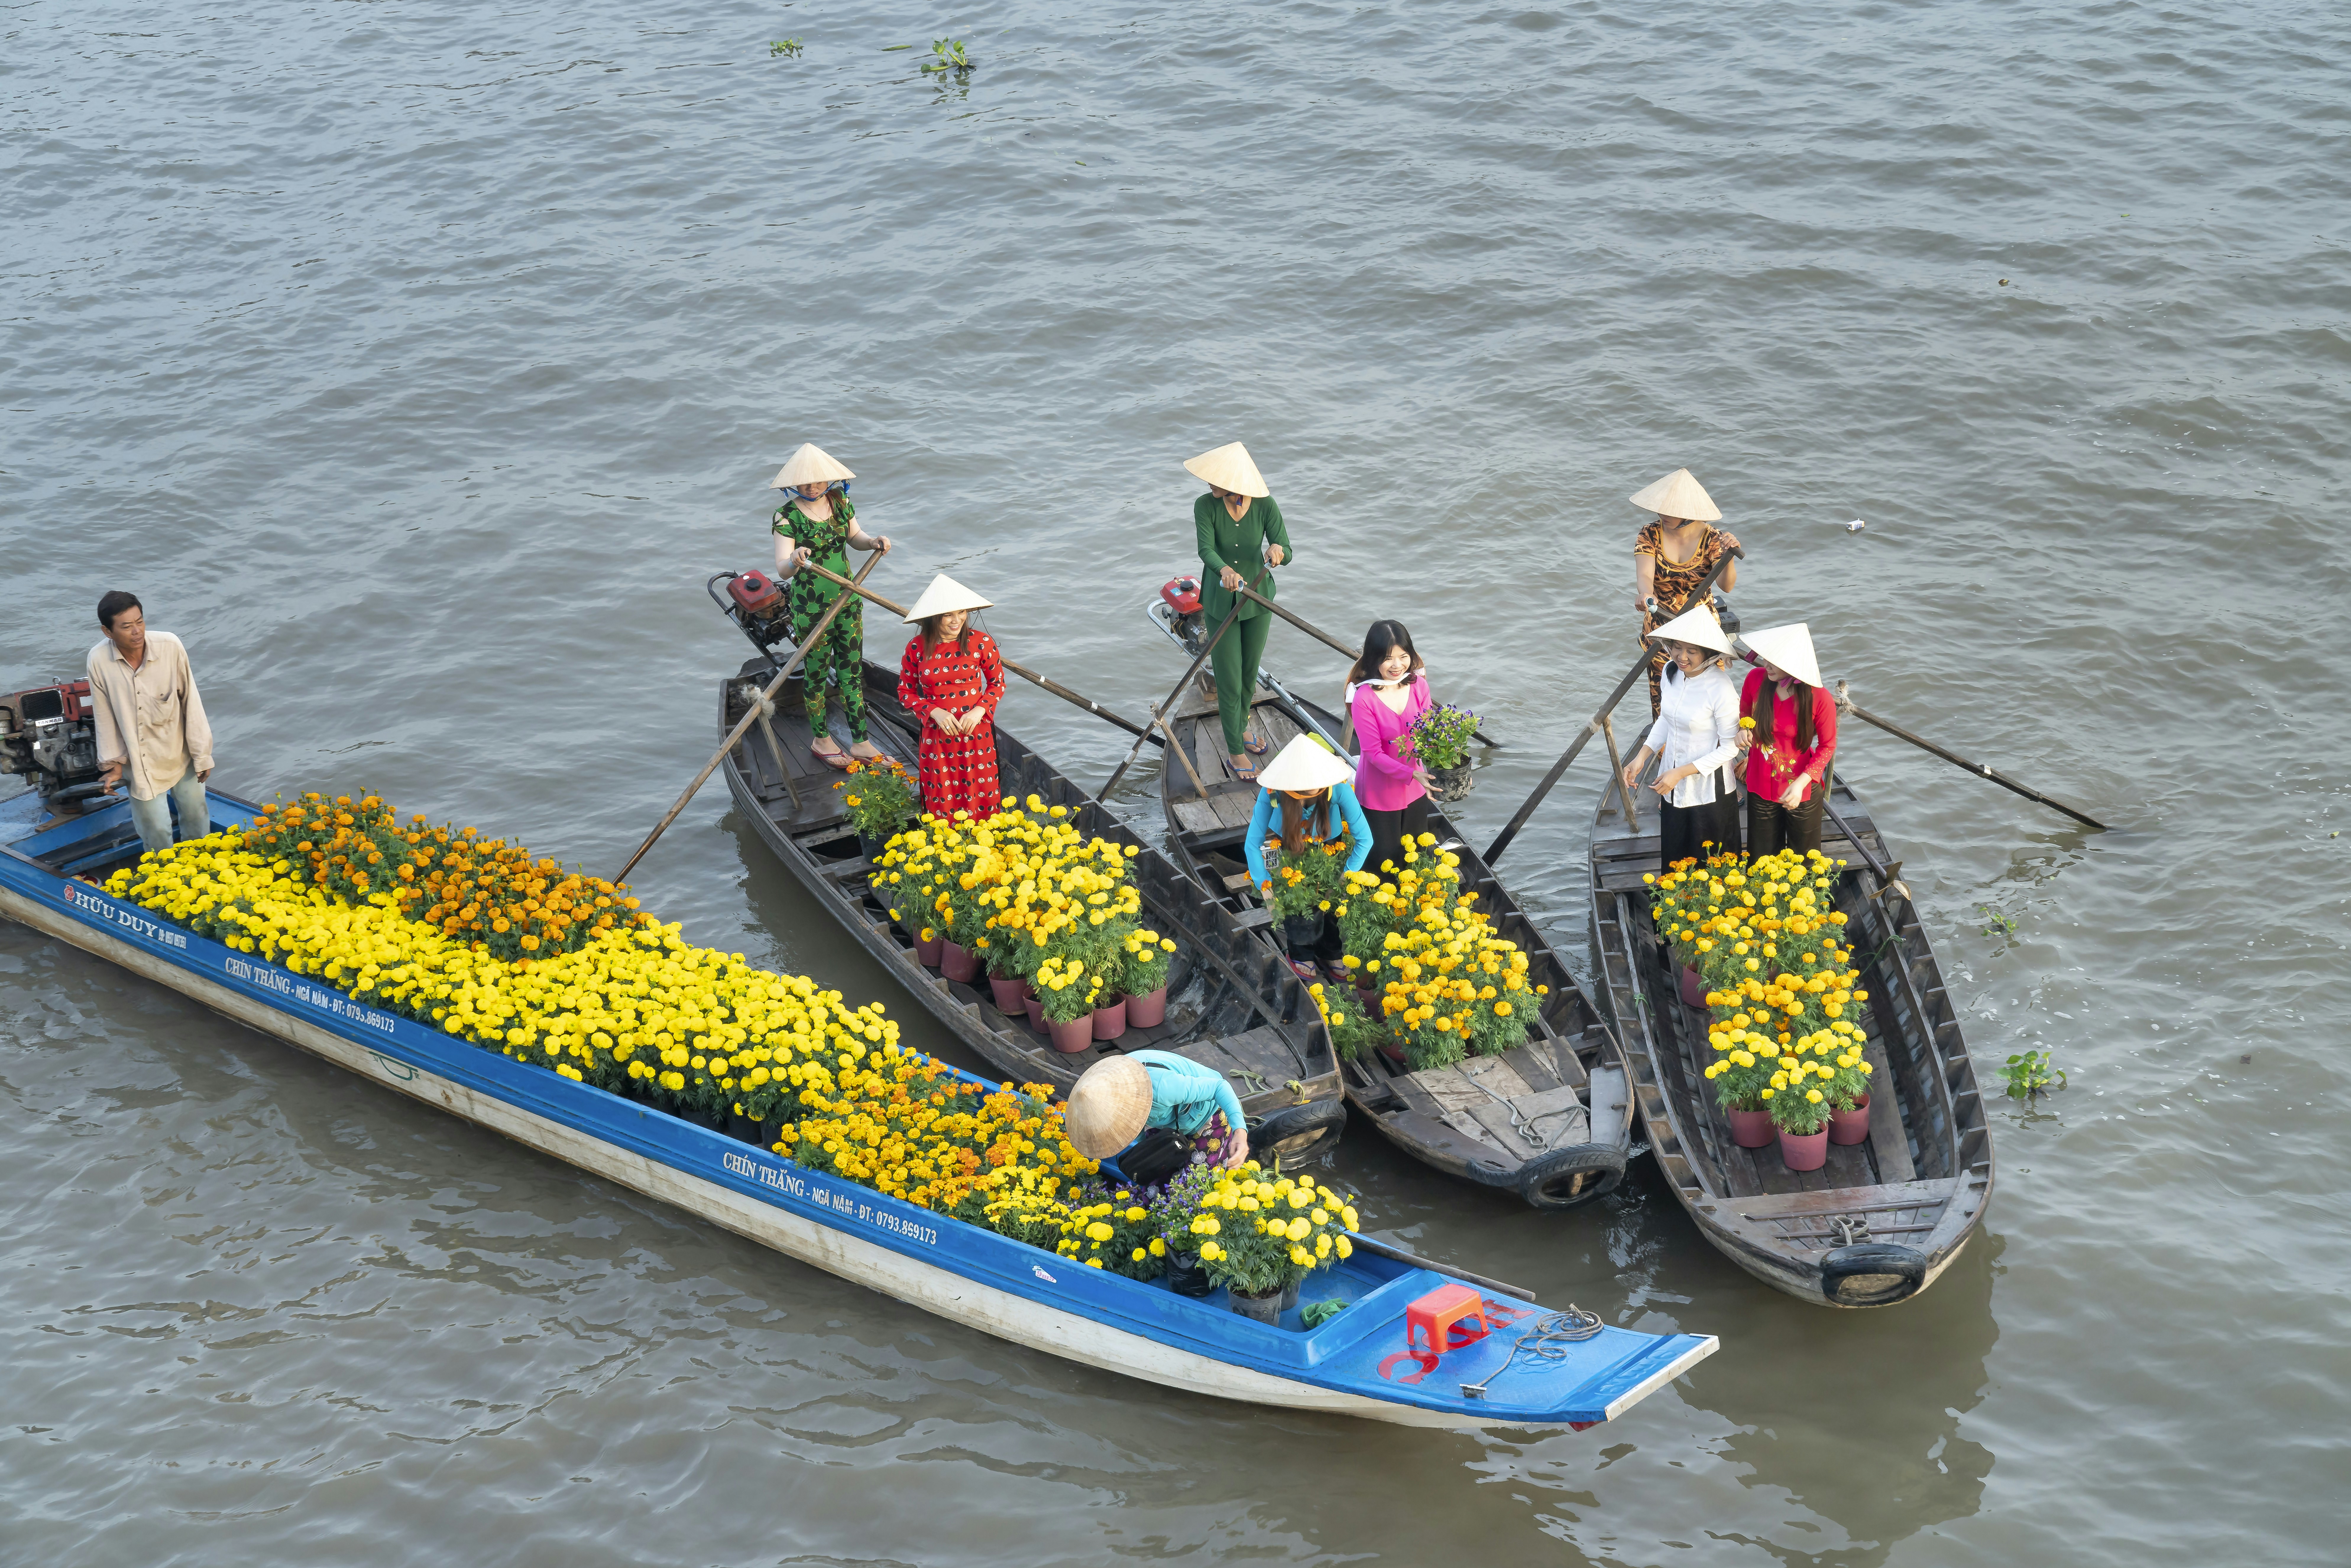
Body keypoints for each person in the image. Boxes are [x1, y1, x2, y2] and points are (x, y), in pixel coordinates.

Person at [769, 442, 891, 768]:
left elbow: (856, 538)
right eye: (806, 481)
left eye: (820, 480)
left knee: (852, 670)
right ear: (793, 484)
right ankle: (821, 740)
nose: (813, 486)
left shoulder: (841, 503)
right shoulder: (787, 516)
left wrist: (874, 542)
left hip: (847, 600)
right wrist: (795, 559)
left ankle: (861, 743)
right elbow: (782, 567)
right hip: (811, 607)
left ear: (830, 481)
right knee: (817, 671)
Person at [1186, 442, 1290, 781]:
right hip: (1221, 601)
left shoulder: (1265, 505)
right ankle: (1234, 750)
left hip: (1258, 598)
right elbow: (1205, 549)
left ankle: (1243, 725)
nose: (1209, 485)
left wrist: (1277, 551)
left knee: (1249, 674)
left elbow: (1286, 548)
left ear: (1235, 481)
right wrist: (1223, 572)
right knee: (1229, 677)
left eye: (1215, 479)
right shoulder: (1205, 506)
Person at [85, 591, 213, 855]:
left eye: (140, 622)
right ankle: (165, 886)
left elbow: (192, 701)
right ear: (108, 632)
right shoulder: (98, 661)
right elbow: (105, 716)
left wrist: (203, 755)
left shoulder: (170, 646)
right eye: (126, 626)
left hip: (179, 752)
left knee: (197, 820)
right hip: (139, 761)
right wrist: (113, 766)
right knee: (157, 832)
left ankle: (203, 876)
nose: (137, 631)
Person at [1619, 603, 1743, 872]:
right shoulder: (1670, 673)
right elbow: (1666, 719)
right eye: (1677, 647)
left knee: (1713, 868)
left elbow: (1731, 748)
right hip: (1673, 784)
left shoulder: (1720, 687)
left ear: (1708, 653)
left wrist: (1681, 773)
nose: (1681, 656)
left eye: (1692, 651)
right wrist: (1642, 757)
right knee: (1676, 863)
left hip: (1711, 791)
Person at [1245, 735, 1372, 985]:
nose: (1303, 801)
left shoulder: (1340, 790)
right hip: (1281, 844)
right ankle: (1300, 953)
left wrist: (1346, 874)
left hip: (1328, 848)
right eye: (1299, 795)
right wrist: (1267, 887)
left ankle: (1330, 951)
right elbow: (1253, 844)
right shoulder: (1271, 793)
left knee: (1329, 901)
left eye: (1312, 795)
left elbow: (1365, 839)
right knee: (1295, 901)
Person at [1628, 468, 1740, 716]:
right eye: (1661, 509)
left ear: (1689, 512)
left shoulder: (1713, 539)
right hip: (1662, 631)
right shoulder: (1650, 533)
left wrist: (1729, 557)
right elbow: (1645, 575)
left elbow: (1727, 586)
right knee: (1664, 705)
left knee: (1705, 705)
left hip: (1700, 633)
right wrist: (1647, 596)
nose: (1664, 515)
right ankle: (1665, 752)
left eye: (1672, 511)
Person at [895, 574, 1005, 821]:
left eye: (962, 612)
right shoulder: (916, 648)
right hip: (938, 735)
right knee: (942, 795)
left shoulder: (982, 643)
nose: (957, 621)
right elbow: (906, 692)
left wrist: (979, 711)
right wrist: (934, 711)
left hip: (977, 732)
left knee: (982, 794)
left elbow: (997, 684)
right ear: (933, 618)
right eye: (948, 615)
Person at [1062, 1050, 1249, 1187]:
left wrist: (1240, 1132)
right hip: (1165, 1122)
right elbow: (1137, 1137)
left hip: (1205, 1116)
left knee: (1193, 1186)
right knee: (1154, 1183)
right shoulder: (1113, 1103)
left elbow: (1220, 1087)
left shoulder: (1162, 1088)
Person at [1736, 623, 1837, 856]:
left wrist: (1802, 782)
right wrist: (1743, 728)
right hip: (1760, 781)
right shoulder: (1755, 679)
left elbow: (1827, 746)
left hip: (1800, 785)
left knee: (1804, 858)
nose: (1767, 665)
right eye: (1767, 659)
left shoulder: (1820, 698)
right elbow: (1744, 713)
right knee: (1761, 856)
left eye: (1775, 662)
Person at [1345, 619, 1432, 879]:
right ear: (1374, 659)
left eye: (1404, 657)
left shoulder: (1419, 686)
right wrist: (1413, 774)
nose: (1397, 666)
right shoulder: (1364, 698)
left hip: (1415, 789)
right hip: (1379, 792)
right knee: (1383, 864)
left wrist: (1450, 764)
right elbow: (1373, 755)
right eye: (1388, 659)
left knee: (1417, 857)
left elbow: (1430, 736)